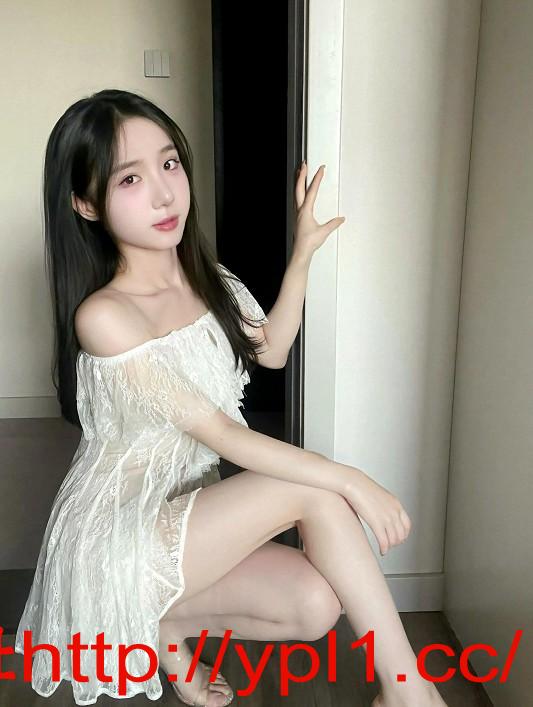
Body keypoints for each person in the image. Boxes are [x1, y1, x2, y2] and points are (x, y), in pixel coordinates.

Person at [14, 88, 447, 707]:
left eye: (169, 163)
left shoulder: (208, 281)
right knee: (314, 487)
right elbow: (223, 435)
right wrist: (352, 480)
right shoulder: (104, 316)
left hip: (181, 518)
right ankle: (409, 693)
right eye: (130, 179)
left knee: (315, 604)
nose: (165, 193)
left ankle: (165, 625)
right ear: (85, 203)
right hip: (116, 539)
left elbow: (270, 350)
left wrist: (301, 254)